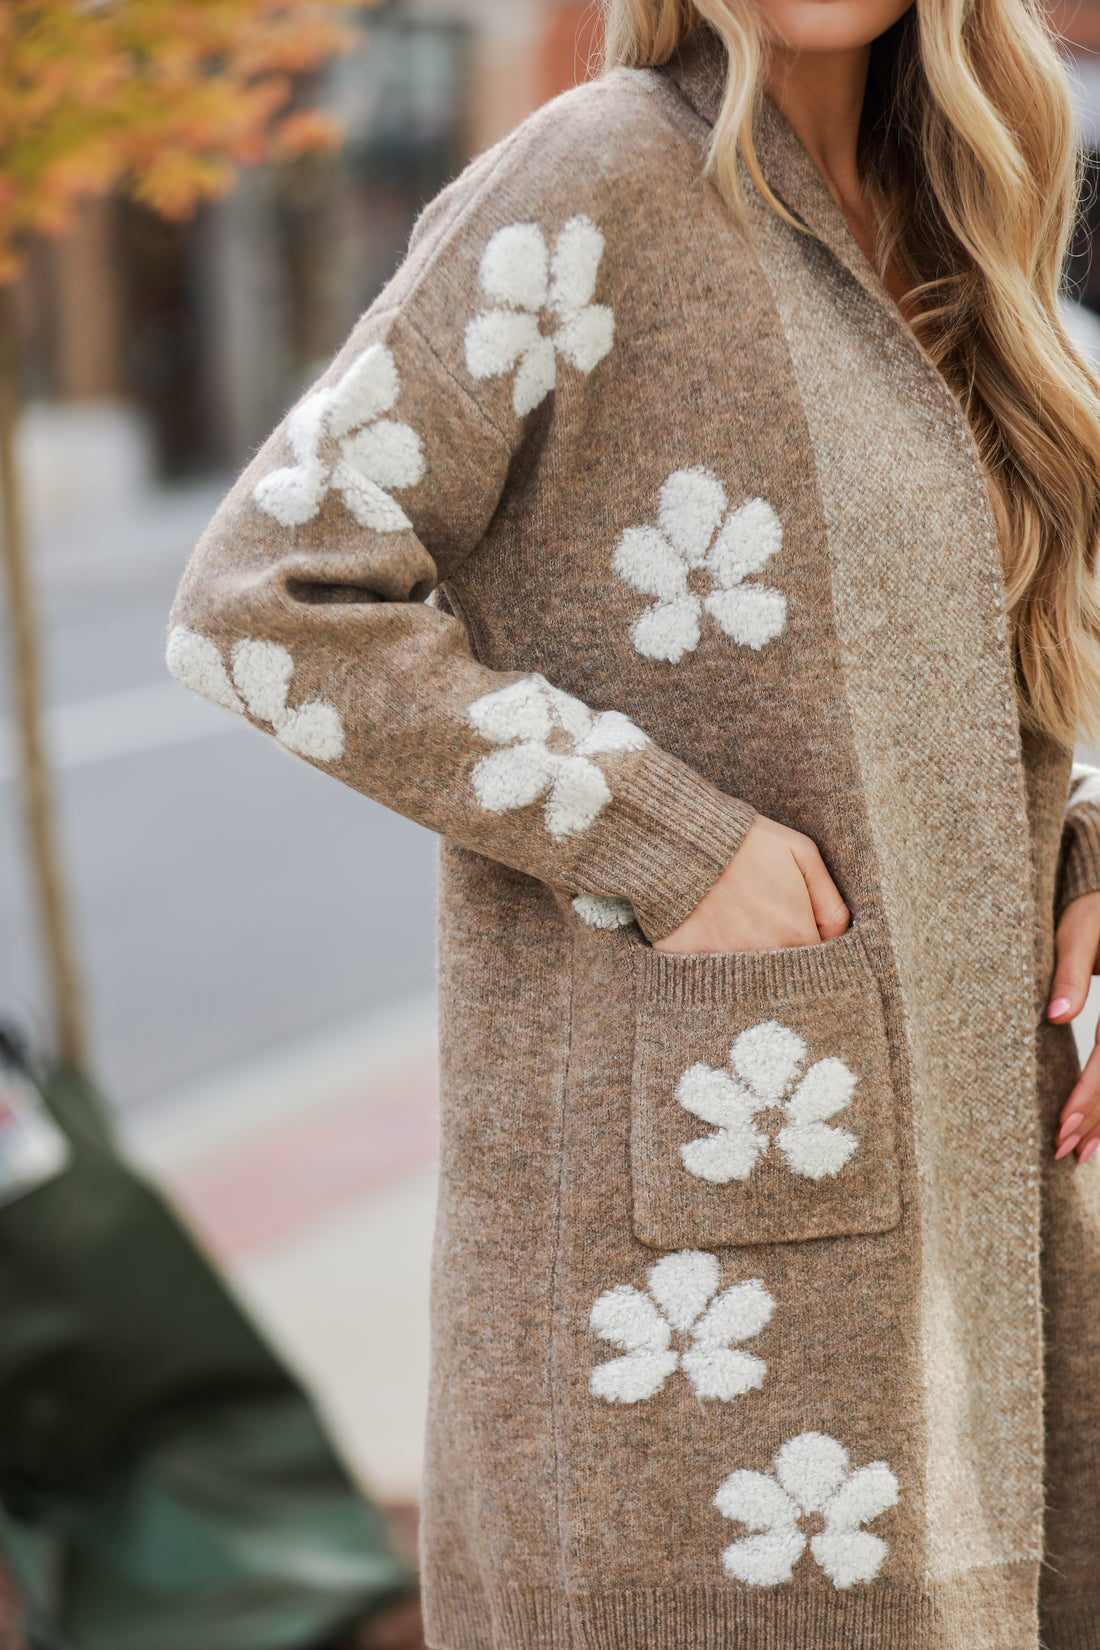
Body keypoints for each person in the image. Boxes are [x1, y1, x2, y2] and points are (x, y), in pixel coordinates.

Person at [164, 0, 1100, 1642]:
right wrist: (657, 840)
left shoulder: (958, 215)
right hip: (701, 1360)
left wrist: (1080, 853)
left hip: (984, 1255)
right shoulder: (599, 179)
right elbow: (261, 602)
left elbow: (949, 662)